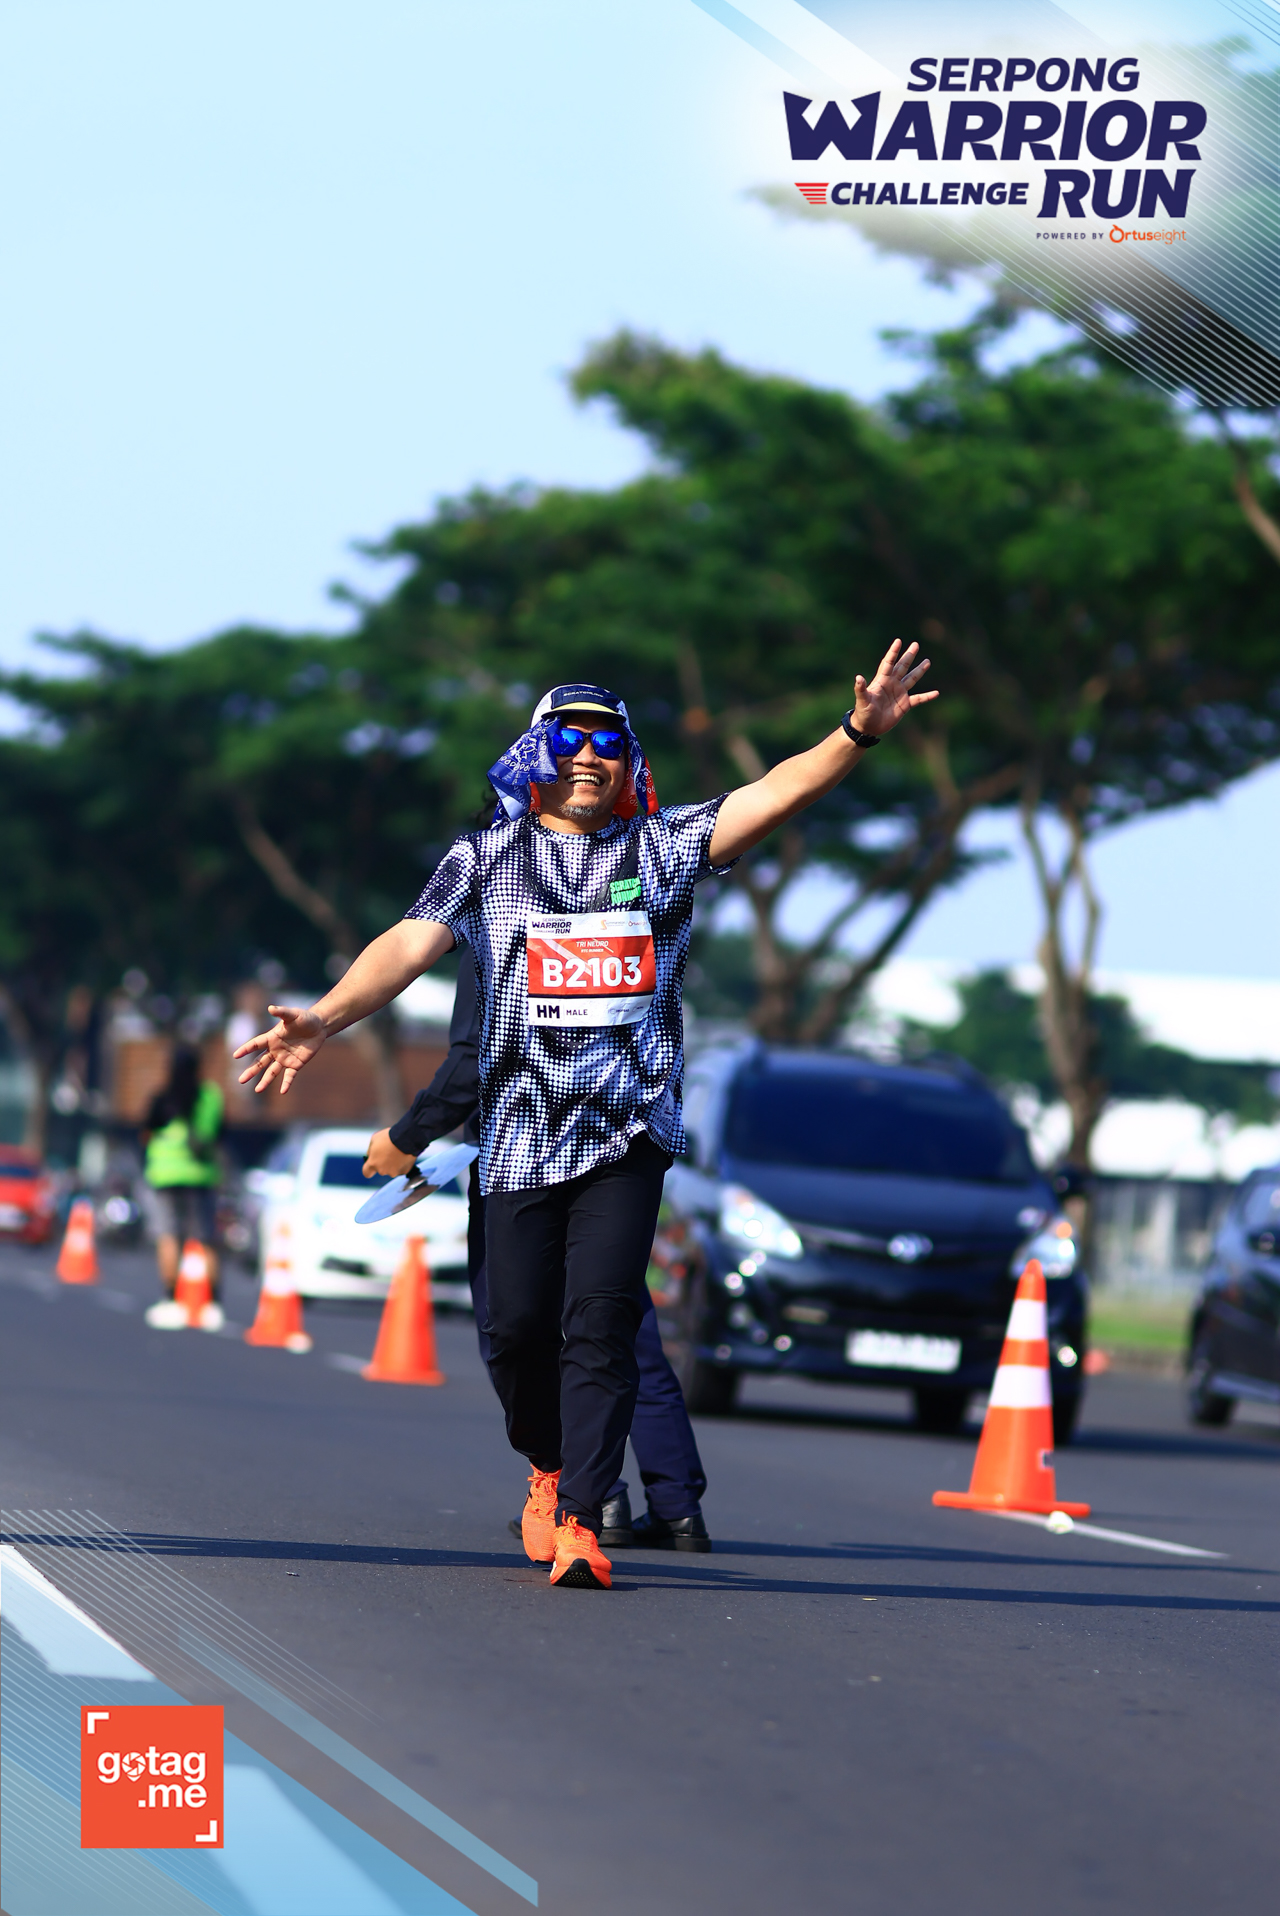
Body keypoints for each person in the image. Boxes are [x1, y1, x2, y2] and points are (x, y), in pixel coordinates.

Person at [234, 643, 936, 1590]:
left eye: (609, 743)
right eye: (571, 739)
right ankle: (548, 1466)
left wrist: (857, 733)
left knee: (601, 1325)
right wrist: (323, 1019)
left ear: (629, 762)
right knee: (516, 1333)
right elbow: (407, 943)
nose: (591, 757)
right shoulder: (486, 858)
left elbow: (773, 793)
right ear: (535, 754)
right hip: (517, 1138)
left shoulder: (662, 850)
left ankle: (579, 1519)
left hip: (626, 1137)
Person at [365, 944, 712, 1550]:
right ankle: (674, 1501)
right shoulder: (613, 919)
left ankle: (588, 1495)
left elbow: (472, 1059)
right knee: (612, 1329)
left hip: (523, 1159)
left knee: (521, 1327)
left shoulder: (499, 918)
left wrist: (409, 1134)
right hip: (611, 1158)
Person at [140, 1044, 224, 1317]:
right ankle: (212, 1303)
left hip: (164, 1176)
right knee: (205, 1238)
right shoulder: (209, 1097)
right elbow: (216, 1134)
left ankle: (170, 1299)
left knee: (168, 1237)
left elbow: (146, 1134)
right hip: (199, 1176)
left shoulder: (162, 1098)